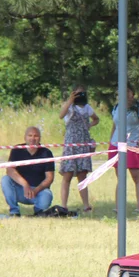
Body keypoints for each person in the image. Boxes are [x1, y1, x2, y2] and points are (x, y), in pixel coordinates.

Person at [58, 86, 99, 214]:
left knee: (82, 175)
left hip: (83, 143)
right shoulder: (70, 107)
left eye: (82, 93)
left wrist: (89, 125)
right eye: (77, 93)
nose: (80, 96)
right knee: (68, 174)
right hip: (71, 144)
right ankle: (63, 205)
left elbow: (96, 119)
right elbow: (61, 115)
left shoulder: (87, 107)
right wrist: (70, 100)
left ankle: (86, 205)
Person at [110, 87, 139, 214]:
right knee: (120, 177)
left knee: (135, 175)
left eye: (127, 92)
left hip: (133, 144)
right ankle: (118, 207)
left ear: (132, 93)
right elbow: (114, 126)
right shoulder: (116, 107)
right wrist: (110, 142)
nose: (125, 95)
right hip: (116, 144)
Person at [2, 126, 55, 216]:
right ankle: (14, 211)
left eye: (36, 136)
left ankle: (39, 211)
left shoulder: (46, 153)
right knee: (5, 180)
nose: (32, 138)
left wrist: (36, 190)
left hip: (38, 192)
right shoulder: (17, 150)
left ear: (40, 138)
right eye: (30, 135)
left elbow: (49, 178)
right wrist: (25, 185)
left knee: (48, 195)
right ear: (25, 137)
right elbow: (10, 170)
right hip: (21, 189)